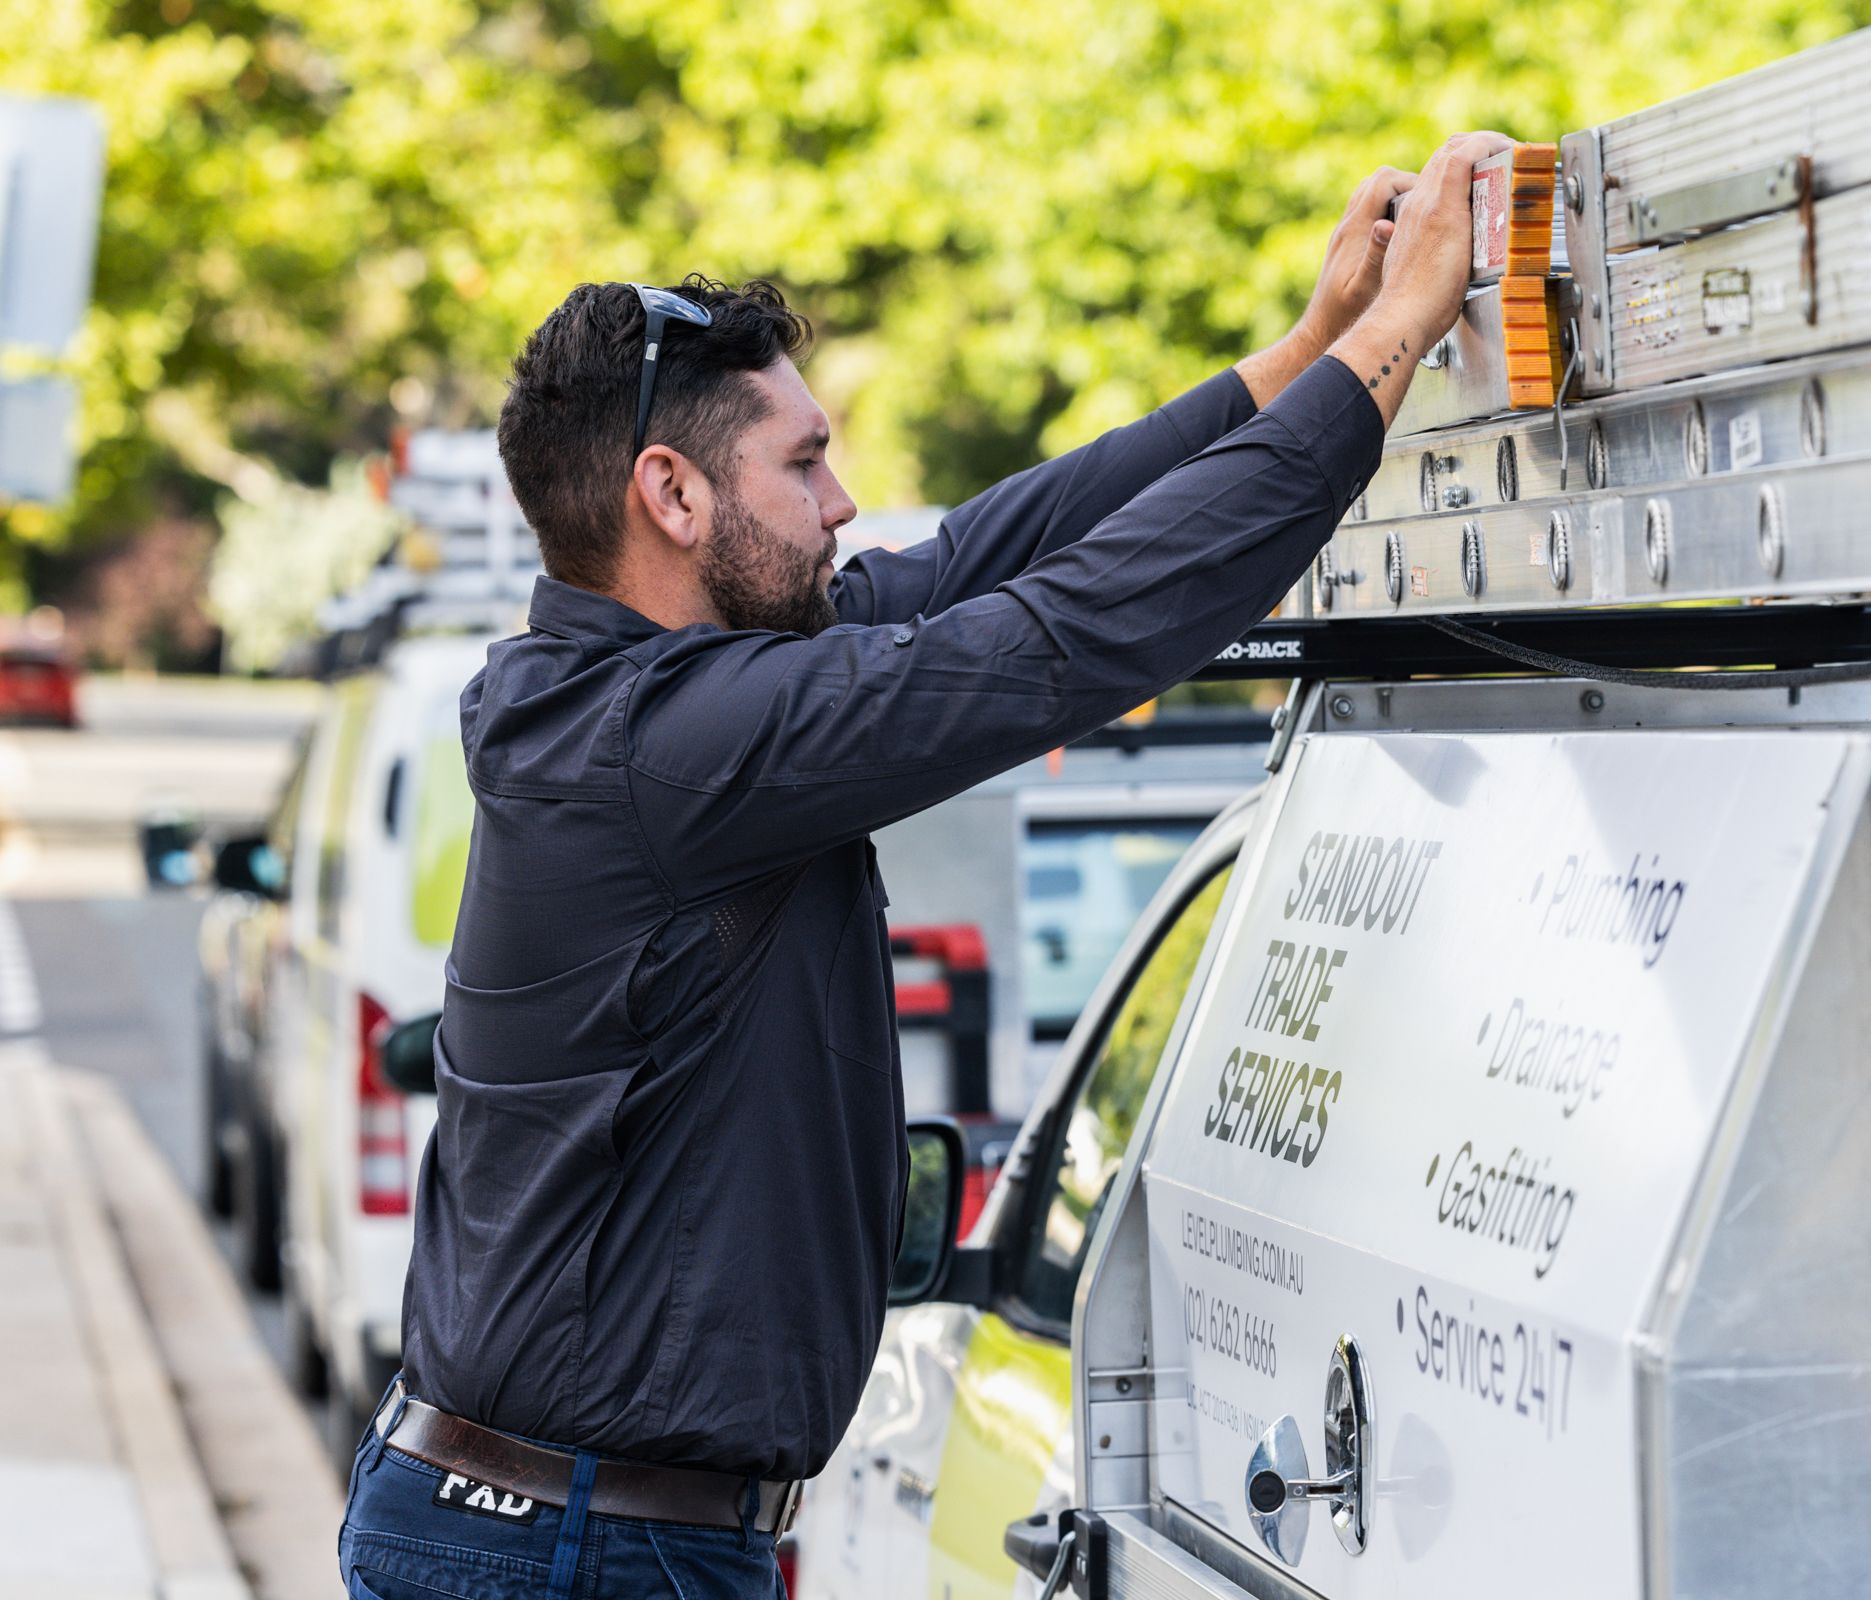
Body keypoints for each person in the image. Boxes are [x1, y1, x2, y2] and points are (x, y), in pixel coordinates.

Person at [335, 128, 1512, 1600]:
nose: (842, 506)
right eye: (806, 462)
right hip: (579, 1553)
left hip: (581, 1533)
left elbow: (984, 561)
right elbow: (1057, 641)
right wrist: (1403, 339)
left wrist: (1305, 350)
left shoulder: (659, 706)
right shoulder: (672, 746)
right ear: (672, 496)